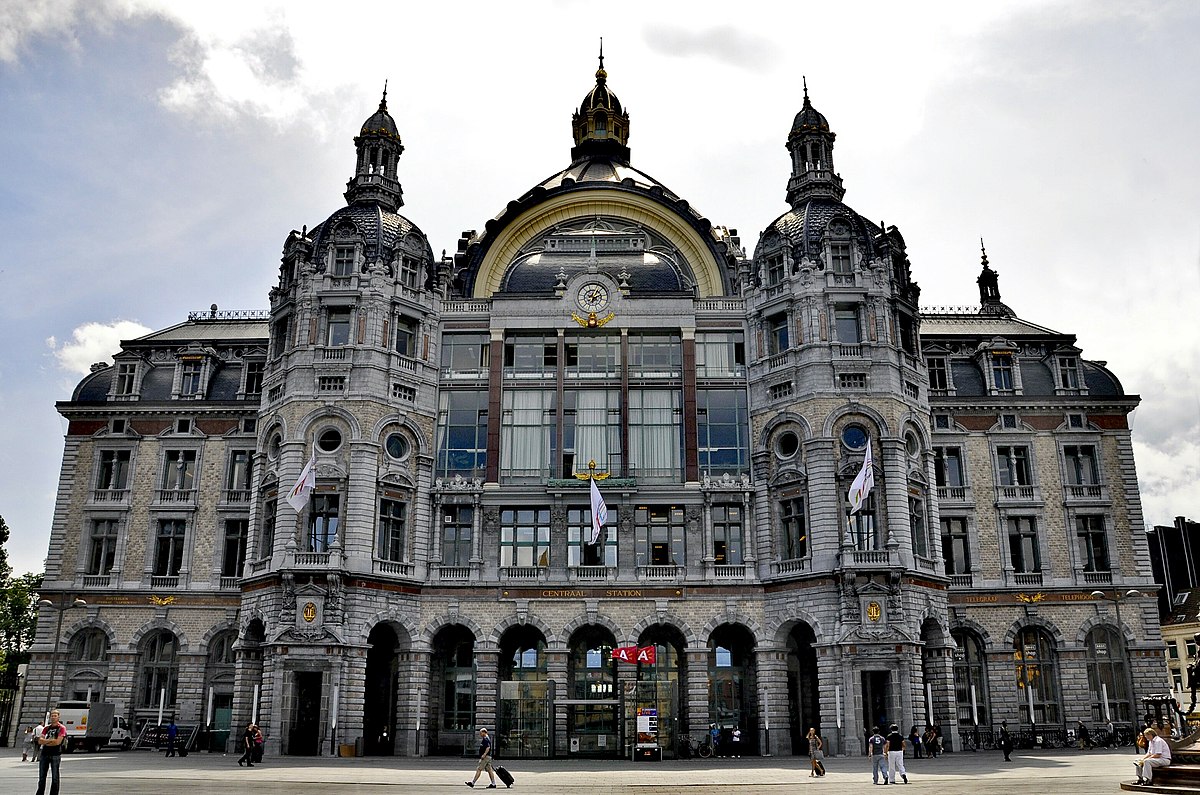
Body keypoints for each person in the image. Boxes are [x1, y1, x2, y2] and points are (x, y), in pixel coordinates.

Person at [35, 709, 67, 795]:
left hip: (55, 754)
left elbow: (57, 742)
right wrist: (50, 741)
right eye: (52, 716)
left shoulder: (62, 728)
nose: (53, 717)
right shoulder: (46, 728)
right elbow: (40, 741)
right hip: (44, 754)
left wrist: (46, 741)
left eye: (55, 716)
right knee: (42, 777)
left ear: (58, 717)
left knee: (55, 777)